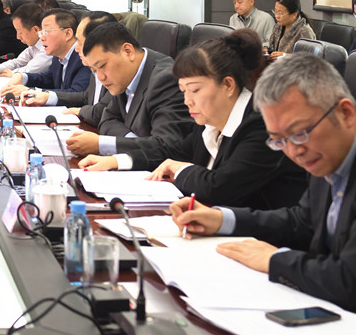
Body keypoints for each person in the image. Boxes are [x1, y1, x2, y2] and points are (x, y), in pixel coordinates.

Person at [170, 53, 356, 312]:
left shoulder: (324, 154)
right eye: (280, 140)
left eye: (300, 133)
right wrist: (221, 220)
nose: (294, 151)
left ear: (346, 113)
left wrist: (274, 260)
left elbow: (349, 281)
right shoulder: (325, 154)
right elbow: (304, 222)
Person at [80, 29, 306, 209]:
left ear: (228, 85)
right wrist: (117, 161)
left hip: (264, 243)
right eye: (183, 91)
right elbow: (172, 152)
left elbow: (219, 187)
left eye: (195, 90)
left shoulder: (261, 124)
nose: (187, 101)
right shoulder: (208, 122)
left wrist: (179, 169)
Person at [65, 22, 194, 157]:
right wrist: (135, 143)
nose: (101, 77)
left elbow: (167, 146)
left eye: (102, 66)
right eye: (94, 70)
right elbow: (107, 120)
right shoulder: (124, 76)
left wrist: (102, 145)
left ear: (128, 51)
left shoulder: (165, 80)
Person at [21, 11, 116, 127]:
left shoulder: (91, 64)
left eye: (80, 42)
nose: (76, 48)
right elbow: (85, 96)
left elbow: (99, 112)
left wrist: (80, 111)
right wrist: (45, 96)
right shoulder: (59, 57)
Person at [0, 9, 91, 100]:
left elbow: (77, 94)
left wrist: (32, 92)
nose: (42, 38)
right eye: (41, 33)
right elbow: (47, 78)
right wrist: (22, 77)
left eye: (47, 32)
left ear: (67, 33)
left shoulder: (83, 57)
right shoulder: (58, 56)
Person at [0, 3, 50, 77]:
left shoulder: (49, 47)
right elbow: (17, 63)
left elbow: (31, 70)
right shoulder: (34, 45)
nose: (18, 37)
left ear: (35, 30)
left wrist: (13, 73)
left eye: (20, 32)